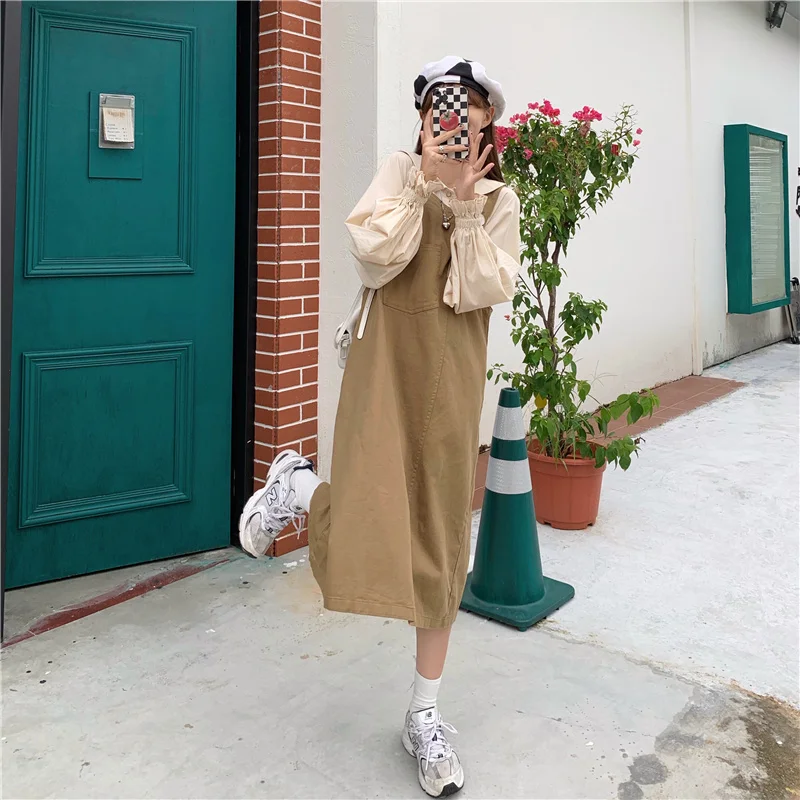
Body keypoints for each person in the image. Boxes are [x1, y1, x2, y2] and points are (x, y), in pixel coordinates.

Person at [239, 56, 520, 798]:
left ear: (488, 120)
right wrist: (424, 184)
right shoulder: (398, 171)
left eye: (468, 105)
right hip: (386, 358)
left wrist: (463, 205)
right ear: (425, 116)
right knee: (368, 520)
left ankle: (424, 714)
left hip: (451, 374)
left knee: (441, 540)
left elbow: (482, 287)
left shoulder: (499, 199)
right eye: (440, 105)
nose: (453, 118)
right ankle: (301, 490)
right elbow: (372, 259)